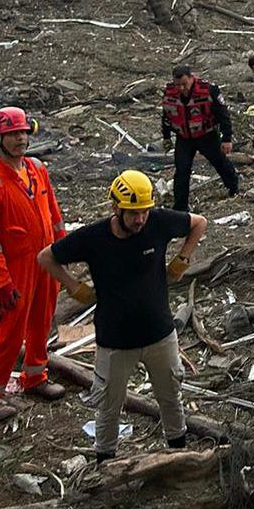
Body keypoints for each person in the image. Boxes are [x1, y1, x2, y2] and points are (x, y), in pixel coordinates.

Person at [38, 171, 207, 463]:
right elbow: (45, 257)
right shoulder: (93, 238)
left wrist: (183, 258)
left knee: (170, 396)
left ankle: (179, 455)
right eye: (133, 214)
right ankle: (105, 464)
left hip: (160, 334)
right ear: (116, 208)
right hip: (115, 341)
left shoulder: (158, 223)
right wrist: (73, 286)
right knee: (108, 405)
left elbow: (199, 223)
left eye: (144, 212)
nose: (140, 220)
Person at [0, 108, 66, 422]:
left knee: (42, 319)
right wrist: (2, 281)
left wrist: (63, 249)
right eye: (13, 134)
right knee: (12, 331)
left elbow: (54, 212)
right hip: (16, 266)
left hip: (46, 259)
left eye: (23, 132)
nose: (20, 138)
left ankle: (35, 376)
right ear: (0, 138)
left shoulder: (37, 168)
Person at [161, 65, 238, 212]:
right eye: (178, 85)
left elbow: (223, 114)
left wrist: (226, 138)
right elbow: (167, 116)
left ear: (192, 78)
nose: (182, 88)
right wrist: (166, 137)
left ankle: (234, 188)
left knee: (220, 163)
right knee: (182, 171)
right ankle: (180, 206)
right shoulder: (170, 93)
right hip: (184, 138)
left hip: (206, 135)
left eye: (184, 84)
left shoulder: (209, 90)